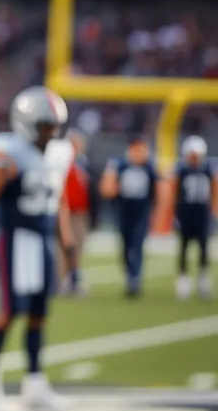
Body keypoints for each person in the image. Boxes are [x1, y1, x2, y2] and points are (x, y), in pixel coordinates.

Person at [0, 86, 76, 411]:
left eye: (54, 126)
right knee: (8, 311)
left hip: (42, 238)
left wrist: (67, 243)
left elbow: (59, 201)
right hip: (13, 239)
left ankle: (34, 382)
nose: (52, 132)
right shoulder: (5, 150)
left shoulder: (60, 152)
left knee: (38, 313)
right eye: (46, 125)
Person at [100, 137, 159, 298]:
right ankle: (130, 274)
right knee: (125, 246)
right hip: (124, 212)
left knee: (138, 244)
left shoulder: (149, 167)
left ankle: (135, 278)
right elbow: (106, 188)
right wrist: (113, 186)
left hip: (142, 213)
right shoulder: (119, 165)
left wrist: (158, 212)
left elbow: (159, 189)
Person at [172, 135, 216, 300]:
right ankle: (183, 280)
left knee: (203, 247)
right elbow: (174, 191)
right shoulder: (181, 169)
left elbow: (214, 189)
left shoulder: (208, 168)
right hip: (185, 212)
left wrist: (214, 210)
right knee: (184, 246)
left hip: (202, 212)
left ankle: (203, 279)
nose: (194, 158)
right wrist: (173, 213)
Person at [60, 128, 91, 295]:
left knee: (77, 246)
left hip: (80, 211)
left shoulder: (81, 162)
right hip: (67, 211)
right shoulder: (63, 161)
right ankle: (63, 280)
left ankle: (72, 280)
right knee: (66, 246)